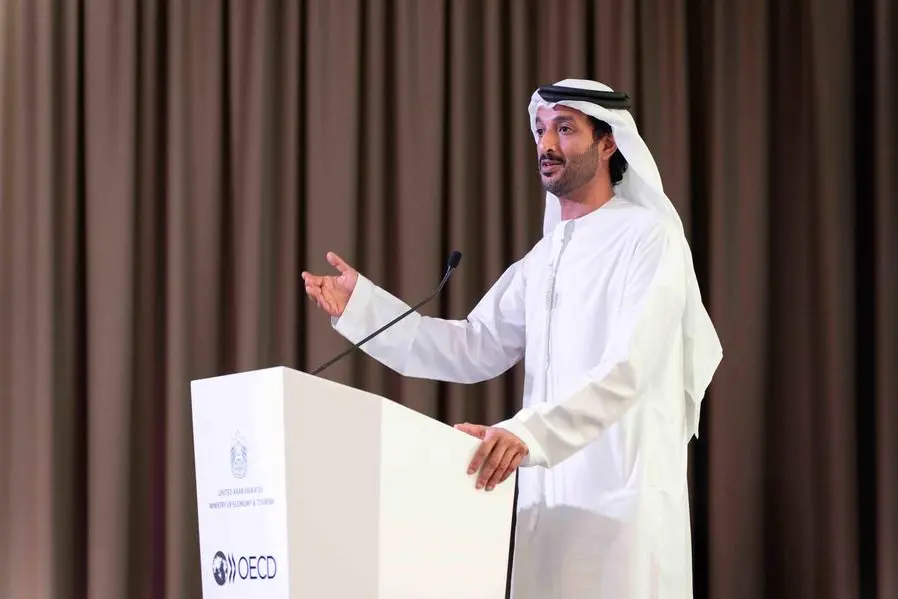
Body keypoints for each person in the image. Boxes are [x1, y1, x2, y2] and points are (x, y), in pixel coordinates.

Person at [302, 79, 722, 599]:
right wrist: (363, 310)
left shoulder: (649, 238)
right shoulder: (541, 261)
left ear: (608, 142)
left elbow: (628, 367)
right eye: (541, 130)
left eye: (565, 129)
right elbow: (473, 346)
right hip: (549, 512)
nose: (547, 144)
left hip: (622, 508)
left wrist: (528, 433)